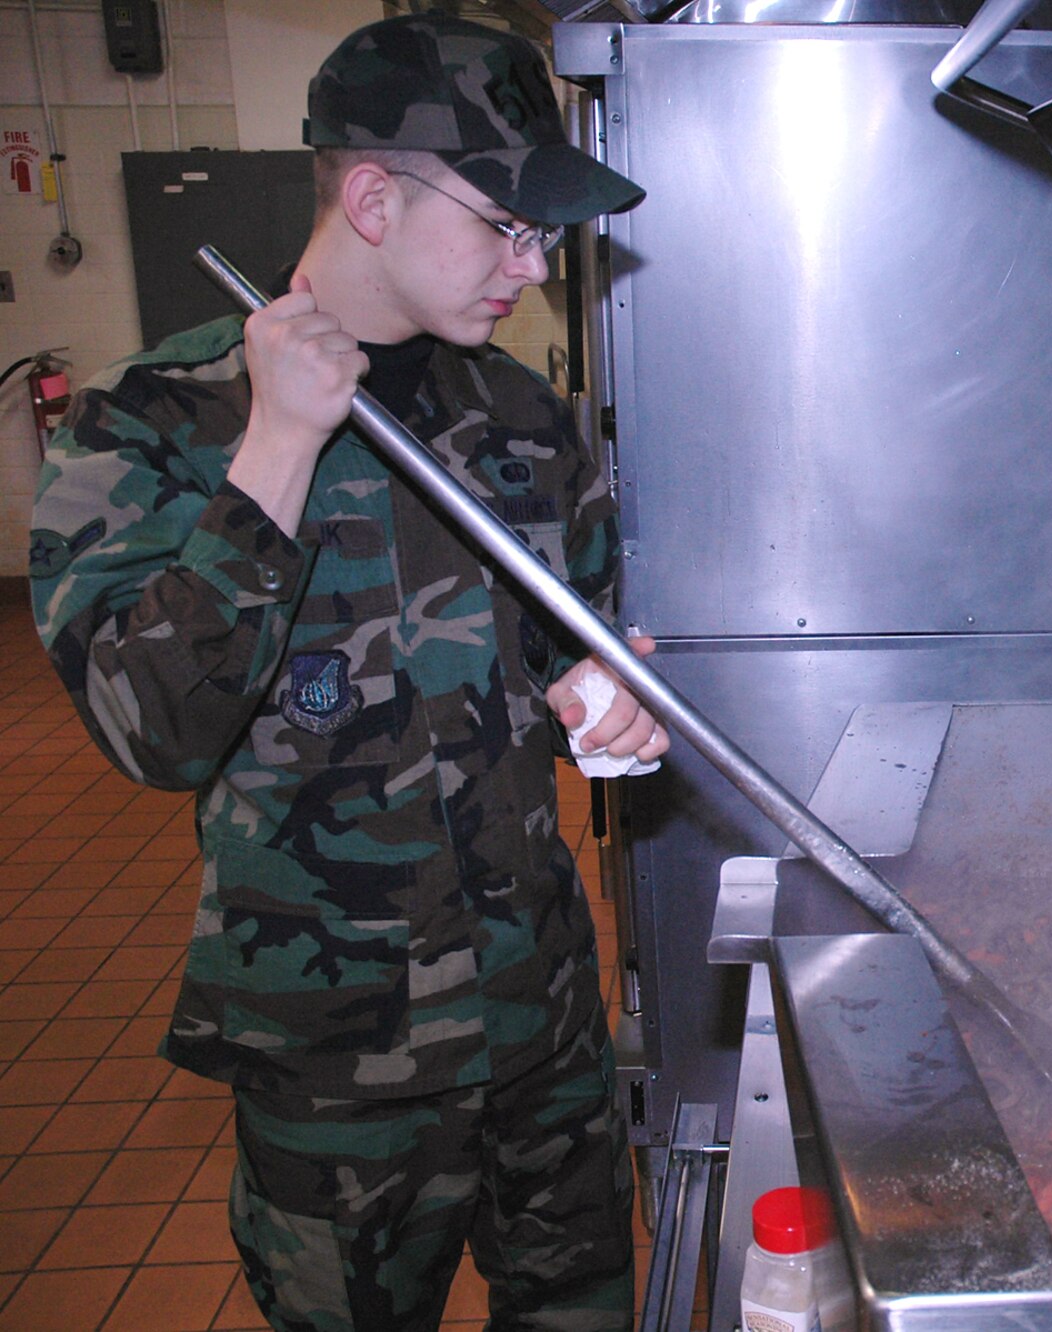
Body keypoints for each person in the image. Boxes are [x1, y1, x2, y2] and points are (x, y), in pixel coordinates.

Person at [29, 14, 661, 1330]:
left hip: (541, 1022)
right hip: (340, 1069)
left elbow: (572, 645)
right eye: (505, 225)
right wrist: (277, 451)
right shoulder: (150, 423)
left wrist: (608, 696)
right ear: (373, 195)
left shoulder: (525, 425)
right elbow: (153, 733)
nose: (532, 267)